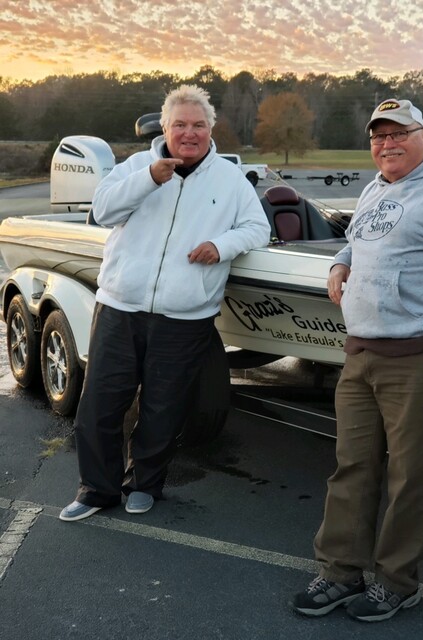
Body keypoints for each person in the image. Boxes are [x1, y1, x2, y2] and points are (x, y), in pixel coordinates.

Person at [293, 99, 423, 622]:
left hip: (420, 358)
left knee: (408, 477)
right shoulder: (377, 188)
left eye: (400, 133)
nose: (388, 143)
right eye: (379, 136)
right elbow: (358, 241)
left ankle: (397, 583)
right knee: (351, 468)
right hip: (361, 355)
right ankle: (339, 573)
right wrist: (337, 263)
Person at [60, 85, 271, 521]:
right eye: (180, 125)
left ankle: (144, 484)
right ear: (165, 127)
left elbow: (256, 228)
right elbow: (103, 210)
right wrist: (150, 179)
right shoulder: (137, 165)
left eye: (198, 125)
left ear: (211, 128)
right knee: (99, 404)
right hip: (120, 307)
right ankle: (96, 490)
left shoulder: (231, 179)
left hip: (185, 316)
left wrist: (221, 244)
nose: (189, 133)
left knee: (163, 407)